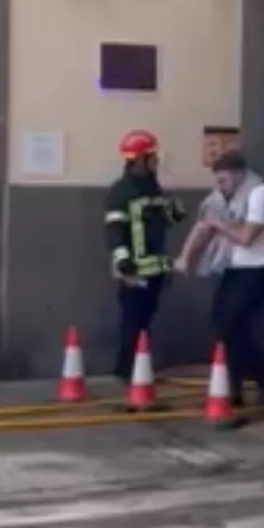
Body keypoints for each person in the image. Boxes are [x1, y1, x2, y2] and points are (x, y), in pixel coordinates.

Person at [200, 150, 264, 407]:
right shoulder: (228, 196)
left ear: (239, 175)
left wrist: (219, 225)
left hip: (259, 268)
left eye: (223, 180)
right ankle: (247, 379)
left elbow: (247, 237)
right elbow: (202, 226)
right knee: (223, 325)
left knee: (231, 325)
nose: (220, 186)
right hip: (234, 267)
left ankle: (262, 375)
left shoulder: (260, 194)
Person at [103, 130, 187, 383]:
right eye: (151, 156)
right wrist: (123, 263)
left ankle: (137, 367)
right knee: (132, 321)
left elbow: (172, 220)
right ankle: (127, 370)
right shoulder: (121, 191)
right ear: (139, 159)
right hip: (135, 270)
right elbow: (115, 230)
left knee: (145, 321)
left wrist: (174, 198)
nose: (156, 161)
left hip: (156, 269)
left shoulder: (155, 188)